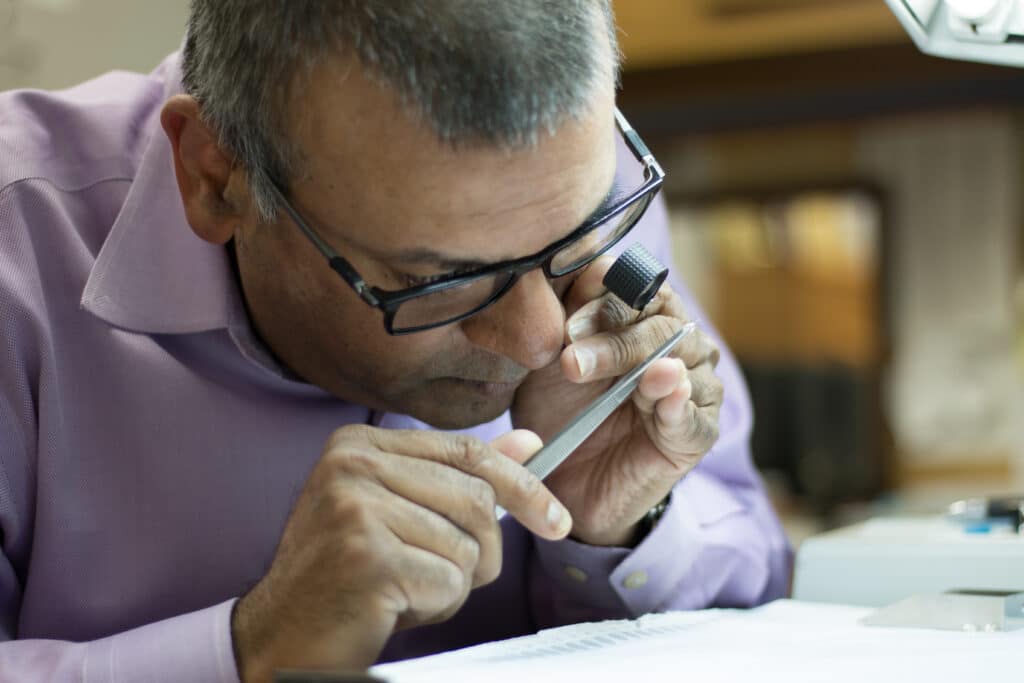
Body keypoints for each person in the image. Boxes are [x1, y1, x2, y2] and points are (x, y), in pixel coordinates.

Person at [0, 2, 790, 681]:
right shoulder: (18, 251)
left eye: (572, 241)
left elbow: (761, 564)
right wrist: (249, 648)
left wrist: (618, 528)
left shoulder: (582, 195)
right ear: (215, 176)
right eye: (440, 279)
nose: (539, 336)